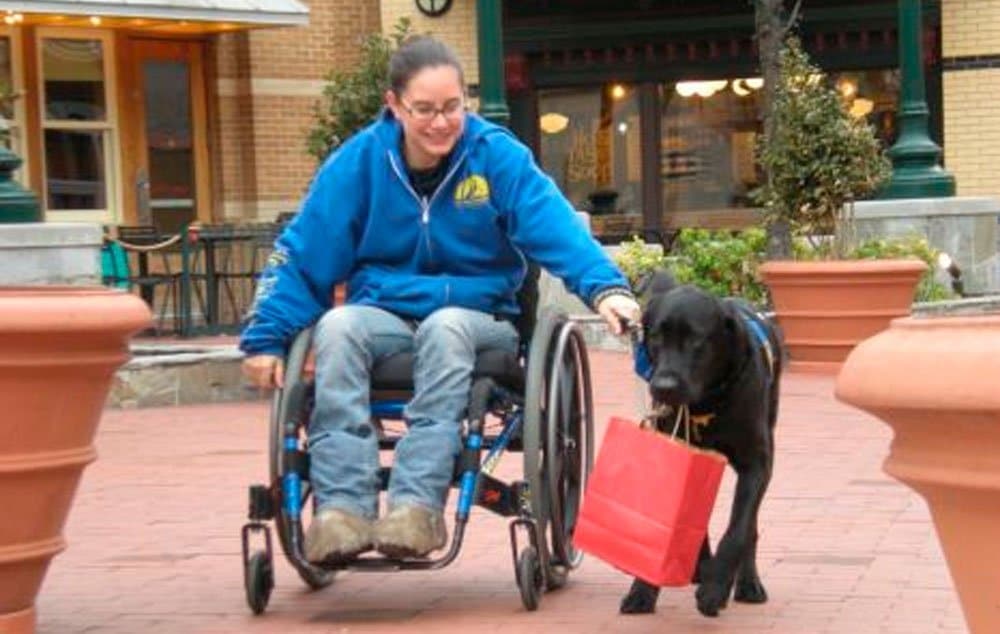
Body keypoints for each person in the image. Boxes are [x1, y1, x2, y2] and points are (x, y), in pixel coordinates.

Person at [240, 35, 640, 565]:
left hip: (480, 317)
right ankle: (341, 511)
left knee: (445, 326)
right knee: (337, 327)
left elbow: (553, 224)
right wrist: (266, 338)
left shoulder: (494, 157)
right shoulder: (359, 163)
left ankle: (415, 508)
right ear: (395, 106)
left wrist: (605, 288)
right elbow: (306, 249)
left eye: (452, 107)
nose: (440, 122)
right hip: (384, 313)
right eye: (424, 109)